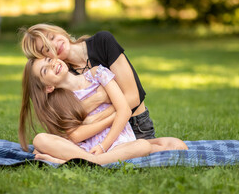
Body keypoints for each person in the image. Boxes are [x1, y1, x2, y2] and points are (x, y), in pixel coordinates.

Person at [19, 57, 187, 164]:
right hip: (86, 149)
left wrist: (103, 143)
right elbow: (76, 135)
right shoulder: (58, 101)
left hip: (119, 142)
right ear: (48, 87)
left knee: (176, 145)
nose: (52, 64)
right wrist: (109, 117)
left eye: (49, 59)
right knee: (40, 139)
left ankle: (80, 161)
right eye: (45, 70)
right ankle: (93, 161)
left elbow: (125, 111)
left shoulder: (97, 74)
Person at [20, 24, 154, 139]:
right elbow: (71, 118)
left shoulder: (102, 42)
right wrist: (101, 97)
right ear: (44, 58)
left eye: (52, 37)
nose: (55, 45)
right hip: (98, 135)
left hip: (136, 126)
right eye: (47, 49)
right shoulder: (64, 74)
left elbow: (132, 97)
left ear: (58, 31)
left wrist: (94, 118)